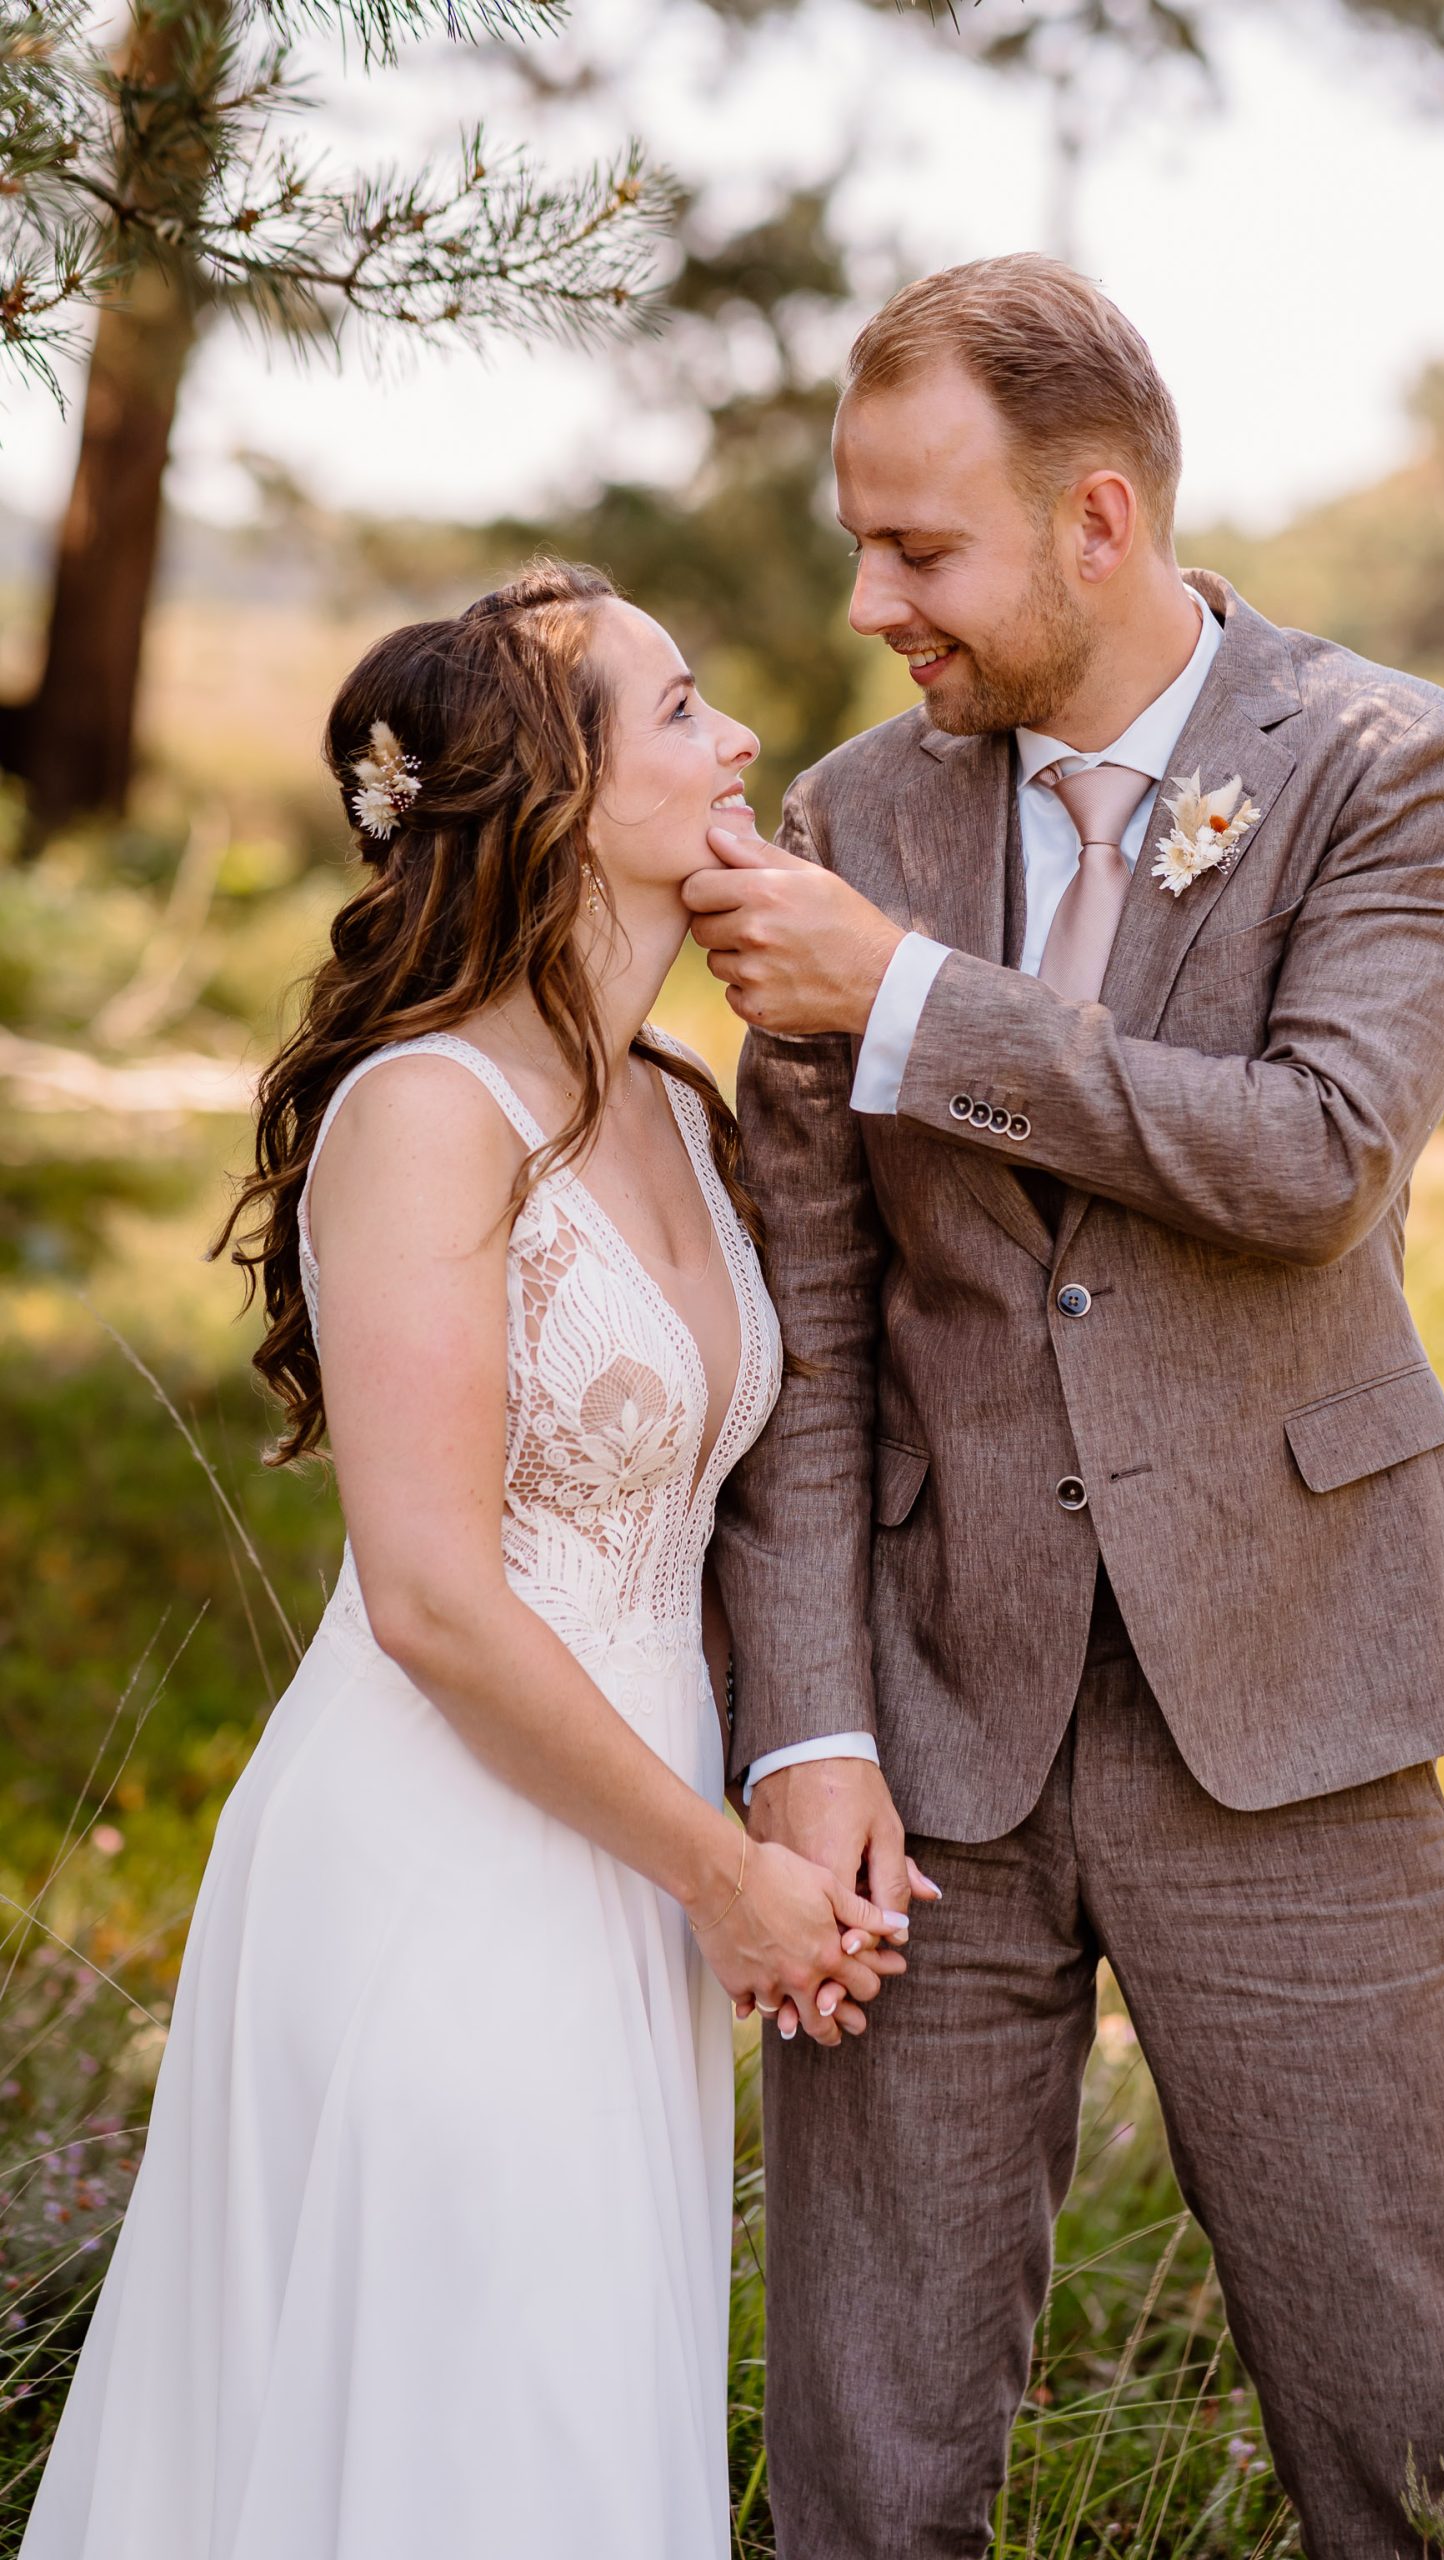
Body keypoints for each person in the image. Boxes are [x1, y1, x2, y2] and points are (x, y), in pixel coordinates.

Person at [690, 257, 1444, 2560]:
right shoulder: (857, 813)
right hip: (920, 1747)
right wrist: (803, 1732)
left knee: (1404, 2446)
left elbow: (1307, 1161)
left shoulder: (1388, 762)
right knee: (862, 2471)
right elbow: (809, 1337)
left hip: (1289, 1700)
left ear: (1092, 515)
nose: (868, 600)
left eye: (918, 548)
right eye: (856, 539)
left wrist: (917, 1001)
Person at [21, 561, 908, 2560]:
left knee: (578, 2413)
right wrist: (726, 1877)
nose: (741, 735)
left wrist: (775, 1808)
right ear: (559, 797)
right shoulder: (425, 1110)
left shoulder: (677, 1110)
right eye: (679, 708)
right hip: (454, 1857)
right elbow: (426, 1591)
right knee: (476, 2434)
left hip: (652, 1851)